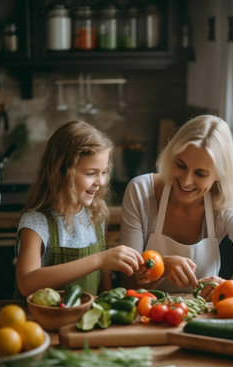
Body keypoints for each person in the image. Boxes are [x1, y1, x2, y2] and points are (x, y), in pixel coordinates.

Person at [120, 114, 233, 296]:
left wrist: (229, 288)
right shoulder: (140, 191)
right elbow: (128, 282)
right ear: (172, 155)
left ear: (219, 174)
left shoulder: (224, 206)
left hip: (204, 317)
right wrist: (161, 266)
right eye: (181, 165)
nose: (186, 181)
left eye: (200, 174)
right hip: (147, 314)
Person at [15, 120, 143, 298]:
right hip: (43, 323)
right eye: (91, 173)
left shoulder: (95, 214)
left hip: (87, 321)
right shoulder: (36, 223)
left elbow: (103, 280)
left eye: (104, 172)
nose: (101, 182)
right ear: (61, 172)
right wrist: (100, 259)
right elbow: (27, 283)